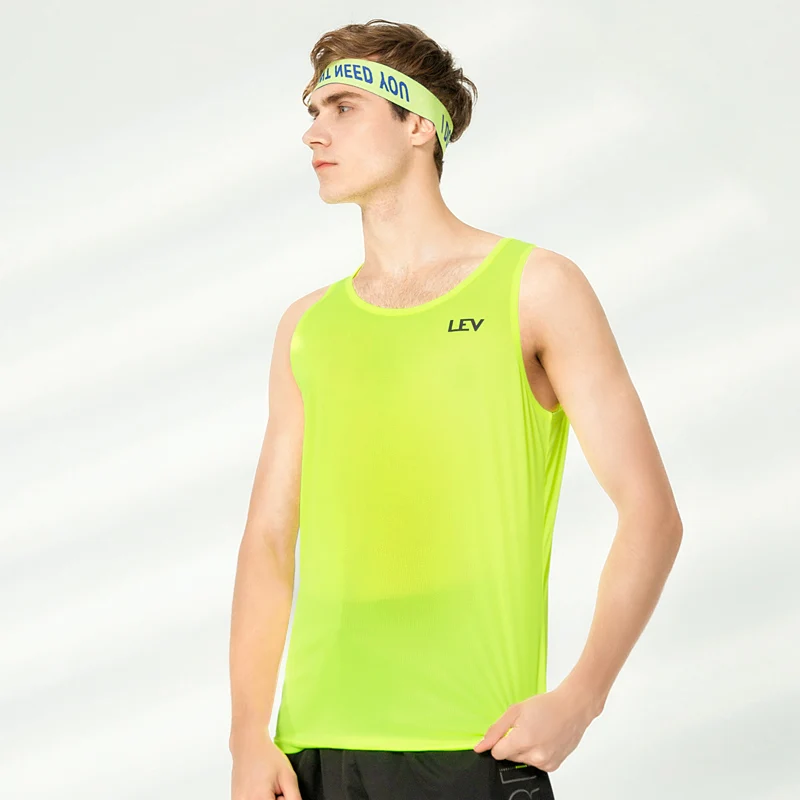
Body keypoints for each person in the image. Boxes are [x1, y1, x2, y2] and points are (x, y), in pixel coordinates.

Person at [228, 18, 683, 800]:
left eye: (342, 108)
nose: (313, 133)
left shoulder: (535, 288)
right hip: (315, 750)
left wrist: (582, 698)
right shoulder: (307, 327)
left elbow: (651, 512)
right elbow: (269, 539)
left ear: (417, 125)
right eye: (312, 112)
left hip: (473, 745)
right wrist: (246, 736)